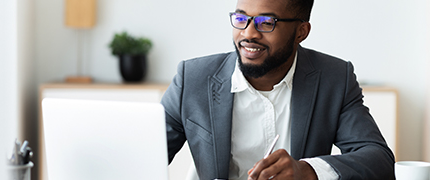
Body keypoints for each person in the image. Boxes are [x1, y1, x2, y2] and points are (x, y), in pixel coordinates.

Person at [162, 0, 395, 179]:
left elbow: (378, 159)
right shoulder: (193, 79)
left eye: (266, 22)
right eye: (241, 19)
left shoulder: (334, 78)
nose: (249, 33)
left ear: (301, 32)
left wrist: (306, 171)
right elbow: (141, 152)